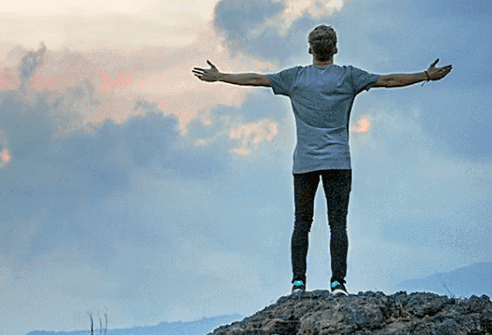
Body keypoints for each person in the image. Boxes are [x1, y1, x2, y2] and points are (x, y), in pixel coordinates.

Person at [193, 24, 452, 295]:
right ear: (336, 48)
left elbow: (257, 79)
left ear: (309, 49)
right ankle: (338, 283)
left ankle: (298, 284)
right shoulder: (349, 77)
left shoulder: (295, 78)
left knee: (301, 223)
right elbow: (388, 80)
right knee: (338, 223)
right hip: (338, 161)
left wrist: (220, 76)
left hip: (305, 162)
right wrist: (426, 75)